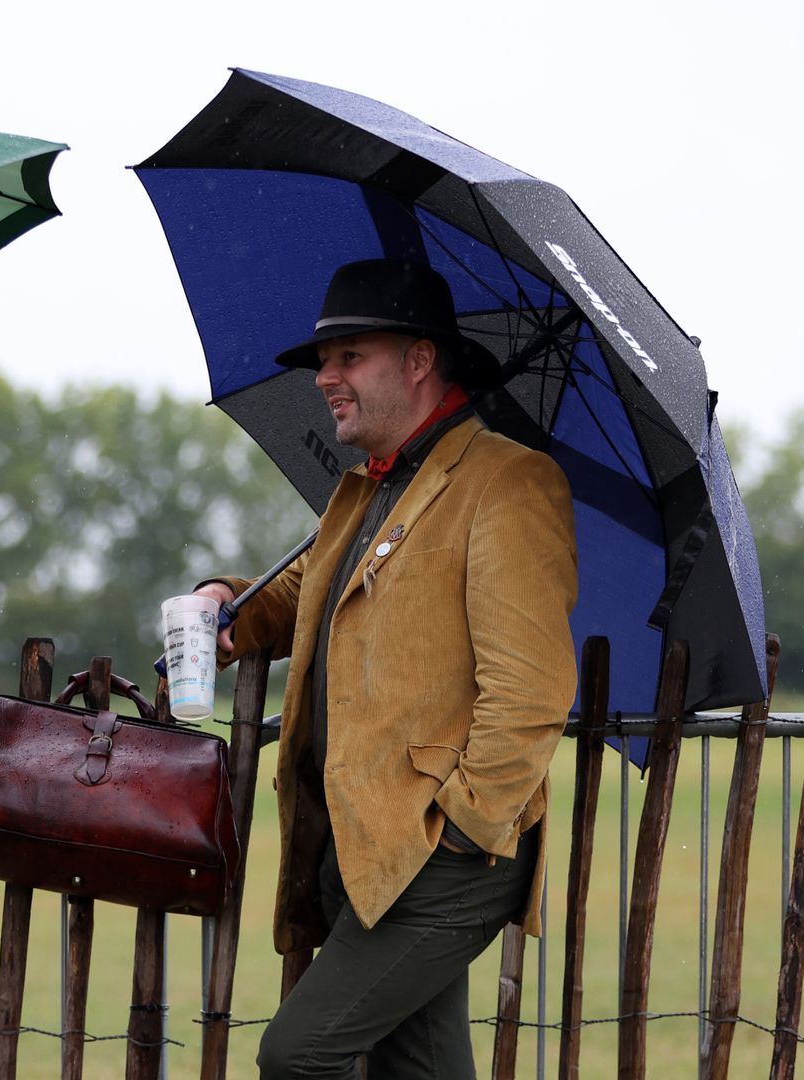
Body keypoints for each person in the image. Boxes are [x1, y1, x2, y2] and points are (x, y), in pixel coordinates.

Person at [195, 258, 578, 1078]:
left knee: (296, 1057)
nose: (326, 378)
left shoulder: (508, 482)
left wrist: (462, 828)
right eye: (323, 363)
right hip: (363, 850)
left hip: (443, 855)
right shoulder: (364, 489)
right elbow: (306, 591)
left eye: (348, 357)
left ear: (418, 360)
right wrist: (224, 600)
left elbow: (533, 689)